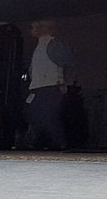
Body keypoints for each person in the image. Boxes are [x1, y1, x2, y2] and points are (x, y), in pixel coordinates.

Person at [23, 20, 75, 150]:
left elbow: (65, 64)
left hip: (49, 87)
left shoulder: (53, 44)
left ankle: (59, 142)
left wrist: (63, 83)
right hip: (39, 87)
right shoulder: (40, 45)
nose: (31, 30)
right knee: (38, 115)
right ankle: (38, 141)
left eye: (34, 27)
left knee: (48, 116)